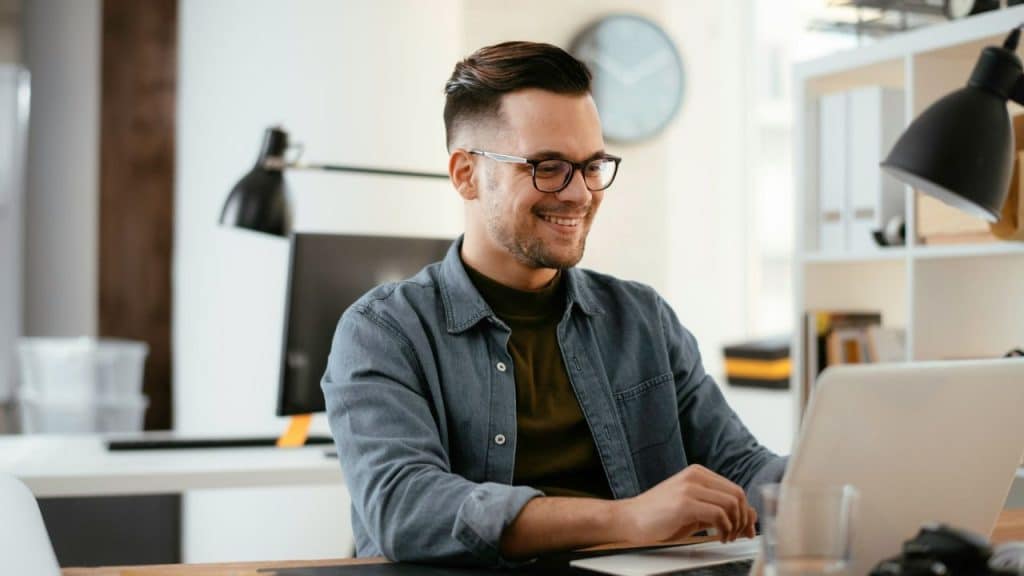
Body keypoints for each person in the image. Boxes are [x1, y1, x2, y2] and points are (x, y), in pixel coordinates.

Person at [321, 41, 786, 566]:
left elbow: (741, 467)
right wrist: (628, 518)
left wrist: (841, 478)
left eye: (592, 166)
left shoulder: (642, 319)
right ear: (465, 174)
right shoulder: (383, 332)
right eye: (547, 166)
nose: (580, 194)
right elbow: (406, 508)